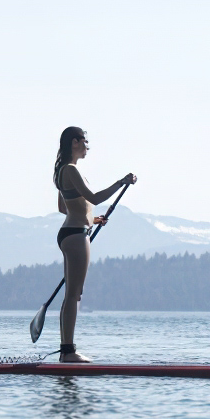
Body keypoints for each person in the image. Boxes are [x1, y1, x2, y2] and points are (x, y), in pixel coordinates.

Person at [52, 126, 136, 362]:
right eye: (85, 142)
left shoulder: (63, 171)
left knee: (70, 295)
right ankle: (68, 352)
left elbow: (63, 207)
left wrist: (92, 219)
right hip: (77, 236)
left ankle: (66, 351)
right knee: (74, 295)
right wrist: (121, 182)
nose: (87, 147)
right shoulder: (71, 170)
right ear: (75, 142)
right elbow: (95, 198)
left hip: (69, 233)